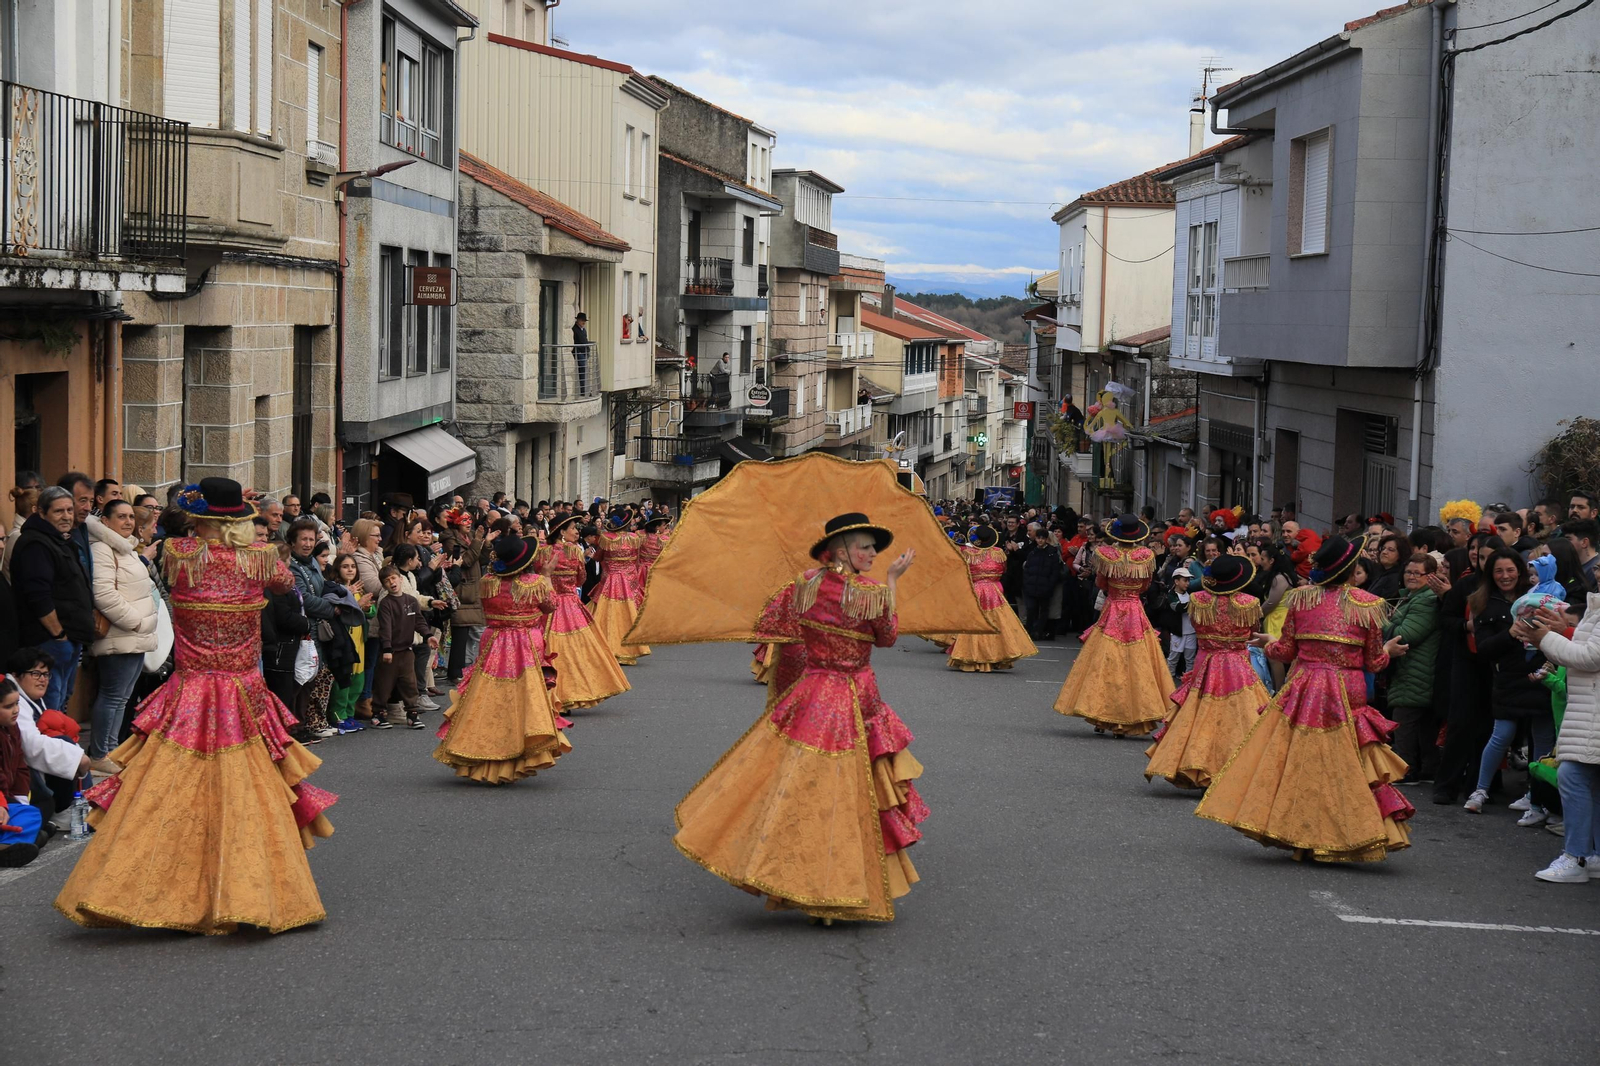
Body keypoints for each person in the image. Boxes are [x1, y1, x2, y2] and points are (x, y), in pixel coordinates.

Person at [55, 478, 336, 933]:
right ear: (241, 518)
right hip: (242, 692)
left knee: (166, 786)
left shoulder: (177, 556)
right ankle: (246, 889)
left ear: (201, 516)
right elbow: (285, 583)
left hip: (188, 691)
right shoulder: (260, 560)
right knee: (247, 788)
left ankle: (150, 889)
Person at [673, 514, 925, 922]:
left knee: (801, 786)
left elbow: (782, 626)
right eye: (865, 546)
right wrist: (894, 581)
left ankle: (796, 874)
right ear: (841, 549)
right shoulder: (870, 593)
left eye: (874, 548)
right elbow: (888, 637)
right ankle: (834, 885)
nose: (874, 554)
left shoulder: (804, 584)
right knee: (849, 791)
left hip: (809, 693)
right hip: (854, 696)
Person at [1197, 535, 1413, 863]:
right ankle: (1346, 834)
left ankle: (1298, 832)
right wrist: (1388, 651)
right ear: (1351, 568)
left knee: (1301, 762)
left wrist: (1269, 642)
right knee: (1346, 765)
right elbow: (1374, 663)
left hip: (1306, 688)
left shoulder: (1302, 600)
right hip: (1346, 692)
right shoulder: (1365, 604)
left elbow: (1285, 652)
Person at [433, 533, 570, 783]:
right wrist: (548, 576)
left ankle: (480, 751)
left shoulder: (488, 581)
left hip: (494, 640)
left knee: (487, 695)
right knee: (523, 697)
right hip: (525, 642)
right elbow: (551, 606)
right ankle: (519, 751)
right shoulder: (536, 582)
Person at [1144, 555, 1270, 790]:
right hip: (1237, 667)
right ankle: (1234, 769)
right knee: (1238, 717)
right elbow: (1253, 632)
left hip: (1206, 663)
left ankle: (1198, 766)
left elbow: (1195, 623)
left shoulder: (1198, 600)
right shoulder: (1249, 603)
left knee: (1200, 716)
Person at [1053, 515, 1173, 736]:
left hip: (1113, 609)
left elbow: (1101, 583)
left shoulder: (1105, 554)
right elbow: (1146, 585)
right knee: (1138, 663)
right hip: (1135, 612)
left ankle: (1101, 714)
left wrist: (1117, 589)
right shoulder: (1146, 555)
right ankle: (1132, 715)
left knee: (1105, 662)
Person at [1461, 548, 1551, 816]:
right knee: (1500, 736)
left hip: (1541, 675)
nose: (1505, 575)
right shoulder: (1482, 601)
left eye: (1510, 570)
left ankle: (1538, 797)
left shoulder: (1540, 593)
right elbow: (1484, 648)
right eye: (1499, 570)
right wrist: (1510, 634)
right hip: (1508, 679)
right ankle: (1480, 790)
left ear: (1520, 571)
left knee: (1543, 740)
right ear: (1490, 574)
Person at [1519, 591, 1600, 881]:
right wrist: (1560, 631)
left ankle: (1577, 857)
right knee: (1588, 781)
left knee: (1573, 776)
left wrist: (1545, 638)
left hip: (1593, 712)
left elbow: (1590, 656)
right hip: (1589, 710)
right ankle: (1592, 856)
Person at [84, 500, 159, 774]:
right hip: (122, 634)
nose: (128, 522)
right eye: (121, 517)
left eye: (130, 517)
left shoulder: (125, 547)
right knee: (113, 696)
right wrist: (135, 622)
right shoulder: (103, 548)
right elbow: (103, 594)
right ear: (105, 521)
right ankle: (100, 753)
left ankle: (112, 751)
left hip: (135, 636)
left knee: (123, 698)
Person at [10, 485, 95, 711]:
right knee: (49, 707)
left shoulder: (59, 540)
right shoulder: (35, 544)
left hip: (68, 639)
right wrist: (59, 635)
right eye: (58, 511)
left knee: (60, 703)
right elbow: (38, 596)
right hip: (49, 641)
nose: (66, 516)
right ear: (41, 512)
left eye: (69, 510)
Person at [541, 512, 631, 710]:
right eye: (573, 528)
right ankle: (571, 692)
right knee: (574, 651)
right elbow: (580, 579)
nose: (576, 531)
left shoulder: (543, 552)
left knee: (548, 649)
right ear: (561, 531)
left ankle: (550, 694)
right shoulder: (574, 551)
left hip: (548, 604)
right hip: (570, 604)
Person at [1383, 553, 1442, 784]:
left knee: (1404, 722)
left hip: (1416, 671)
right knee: (1421, 725)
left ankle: (1405, 770)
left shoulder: (1426, 601)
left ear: (1431, 576)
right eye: (1409, 572)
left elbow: (1406, 635)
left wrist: (1382, 620)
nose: (1412, 577)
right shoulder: (1411, 598)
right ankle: (1427, 769)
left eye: (1418, 573)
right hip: (1414, 671)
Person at [946, 525, 1038, 672]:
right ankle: (996, 654)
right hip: (995, 589)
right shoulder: (998, 553)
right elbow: (1003, 569)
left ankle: (973, 655)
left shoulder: (969, 553)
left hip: (976, 590)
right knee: (998, 622)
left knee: (975, 622)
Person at [373, 566, 437, 729]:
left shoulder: (411, 601)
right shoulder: (386, 603)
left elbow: (419, 622)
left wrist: (428, 635)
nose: (391, 582)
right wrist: (387, 649)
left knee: (410, 684)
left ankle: (412, 714)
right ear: (384, 585)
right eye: (387, 581)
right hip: (391, 652)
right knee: (384, 684)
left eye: (393, 578)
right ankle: (378, 714)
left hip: (407, 651)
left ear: (401, 579)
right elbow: (385, 628)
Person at [589, 511, 649, 664]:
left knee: (607, 613)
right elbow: (636, 558)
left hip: (610, 581)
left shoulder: (607, 539)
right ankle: (628, 650)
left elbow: (598, 557)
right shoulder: (635, 538)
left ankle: (605, 647)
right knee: (628, 614)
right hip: (629, 580)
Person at [1019, 523, 1063, 641]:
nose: (1040, 540)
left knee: (1043, 611)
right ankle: (1030, 631)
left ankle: (1038, 631)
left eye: (1042, 538)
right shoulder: (1033, 552)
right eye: (1038, 538)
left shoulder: (1052, 552)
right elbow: (1027, 568)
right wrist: (1027, 583)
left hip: (1045, 587)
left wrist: (1049, 585)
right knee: (1031, 609)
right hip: (1032, 586)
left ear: (1046, 539)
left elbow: (1055, 571)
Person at [1563, 518, 1598, 592]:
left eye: (1568, 539)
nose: (1564, 543)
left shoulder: (1596, 569)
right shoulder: (1572, 566)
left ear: (1584, 542)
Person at [572, 312, 592, 394]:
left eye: (584, 321)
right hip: (578, 351)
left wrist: (588, 349)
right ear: (578, 320)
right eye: (582, 321)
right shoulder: (574, 329)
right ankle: (583, 390)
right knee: (583, 368)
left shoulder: (583, 330)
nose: (584, 322)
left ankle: (585, 389)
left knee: (584, 370)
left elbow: (585, 340)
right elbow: (576, 342)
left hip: (584, 351)